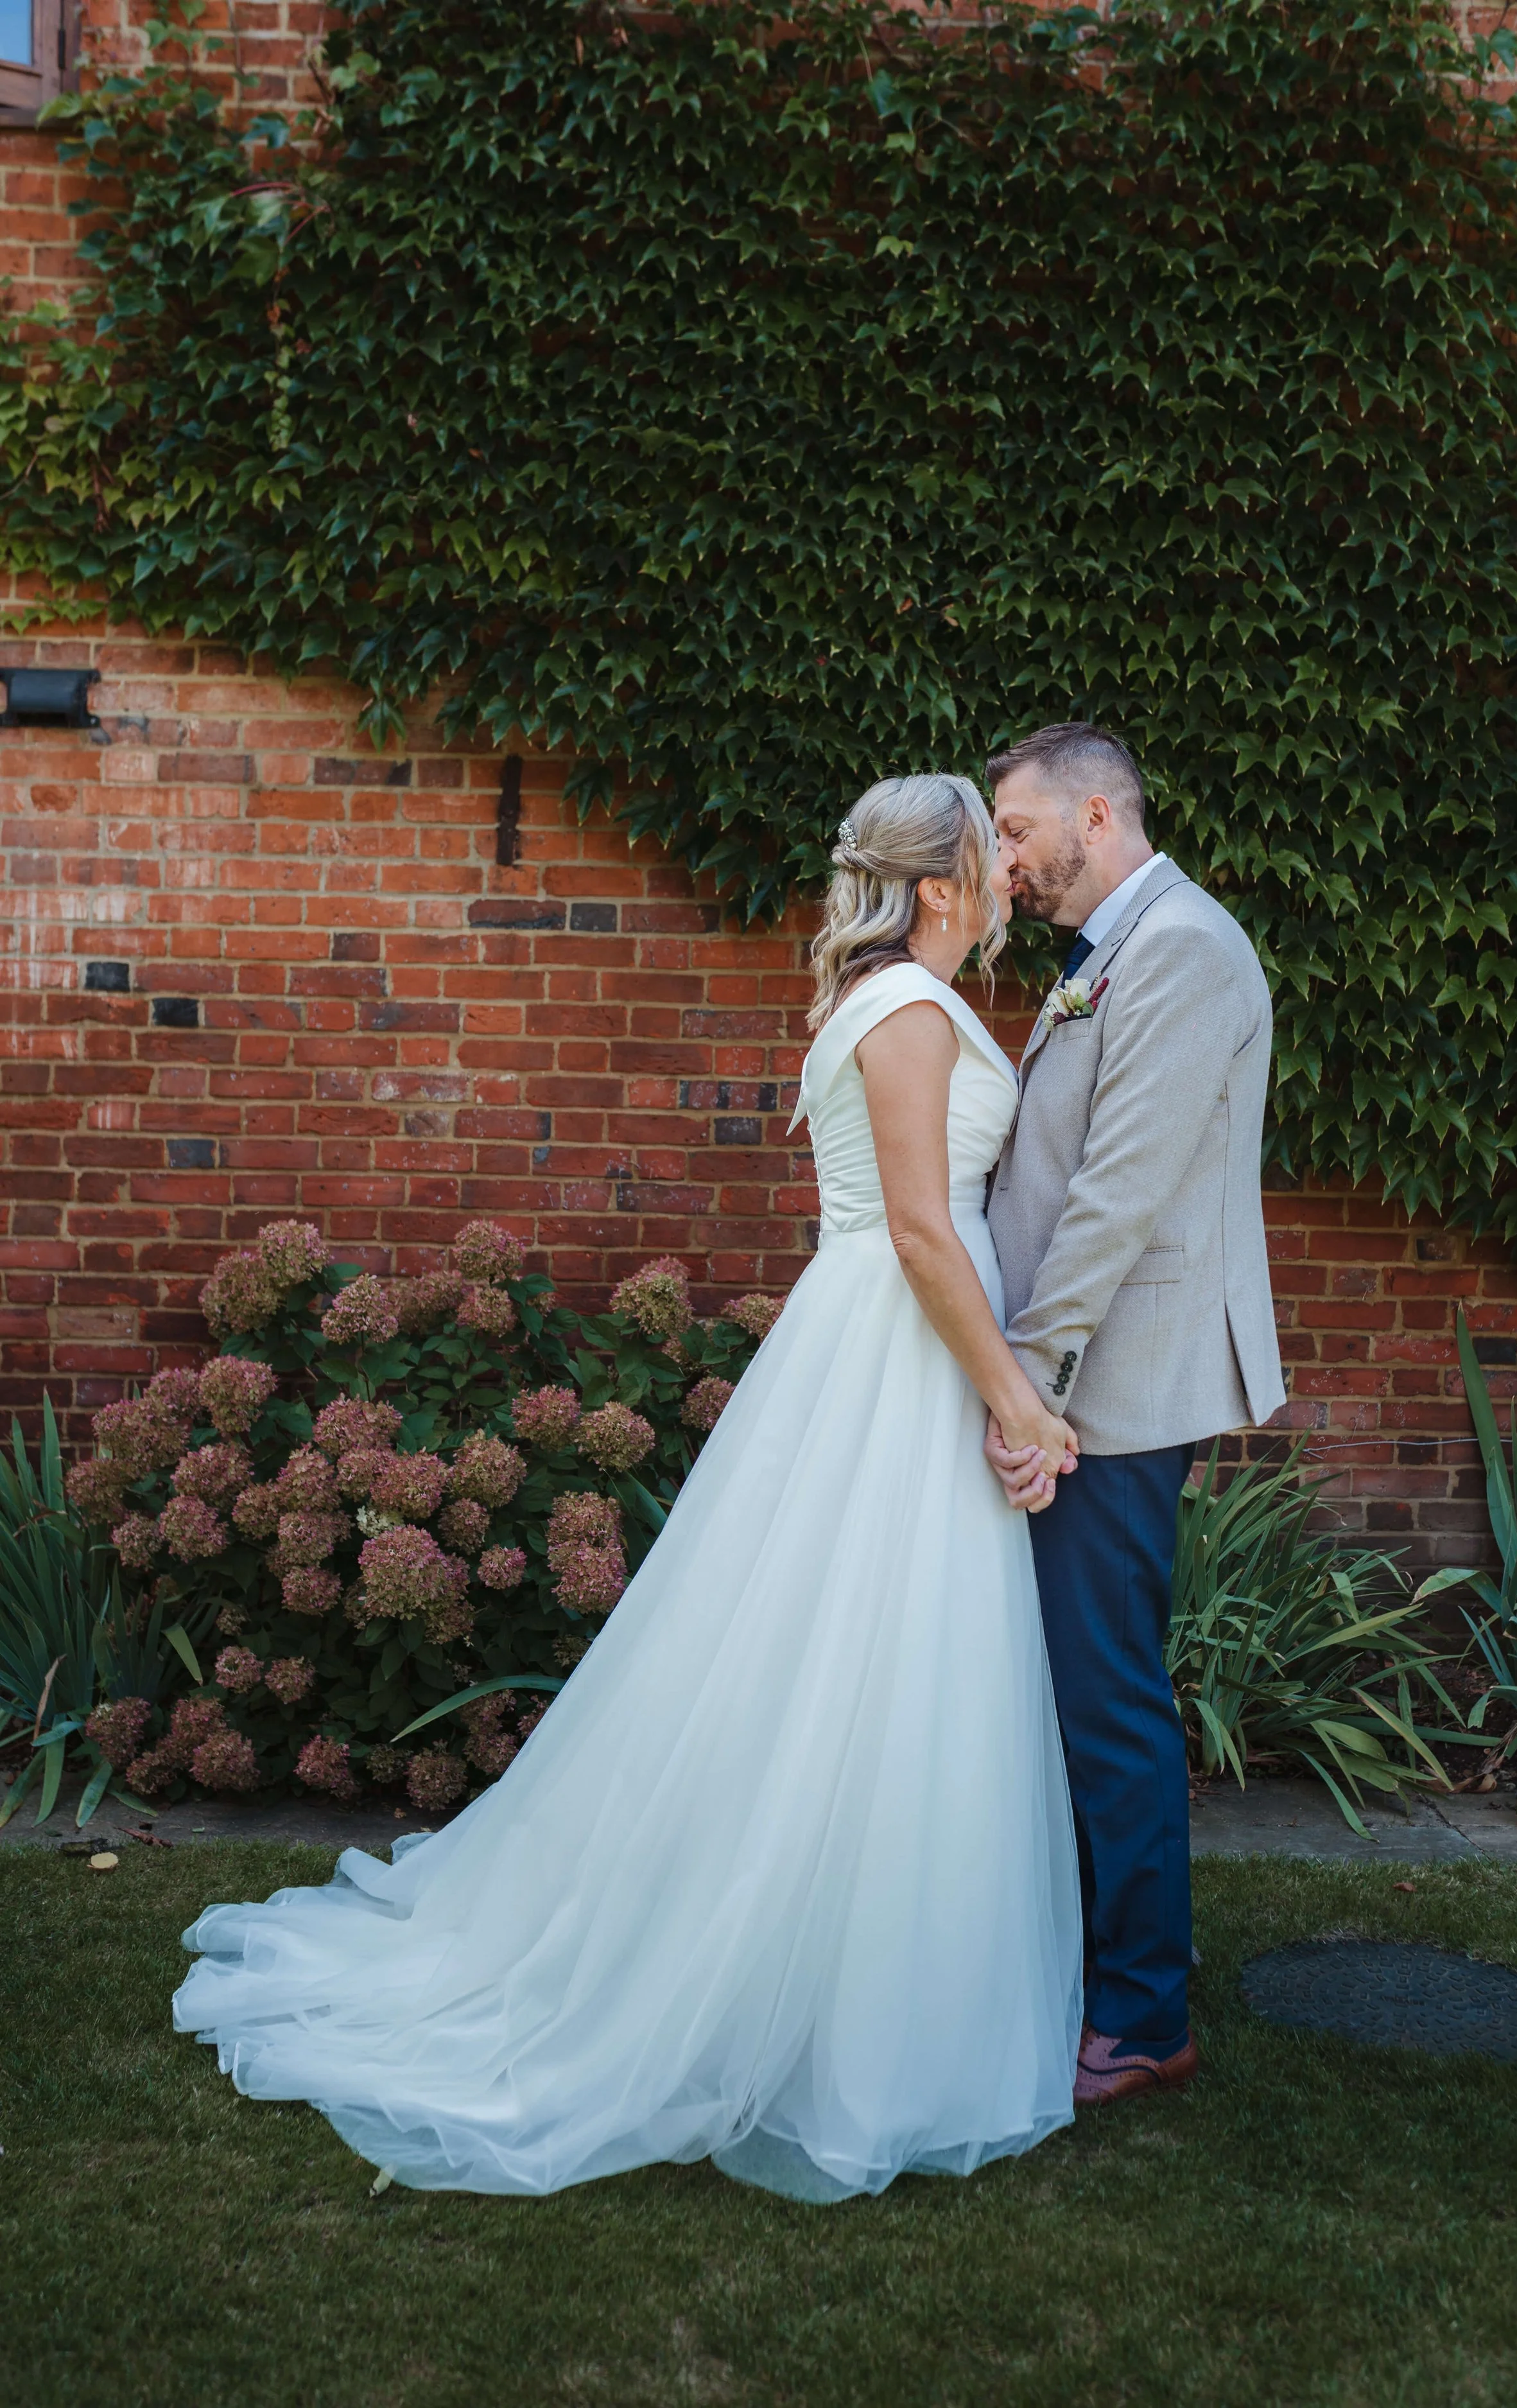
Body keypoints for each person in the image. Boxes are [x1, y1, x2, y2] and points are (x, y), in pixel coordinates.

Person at [173, 772, 1086, 2204]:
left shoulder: (875, 999)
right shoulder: (905, 1012)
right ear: (933, 890)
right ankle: (828, 2015)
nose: (1006, 886)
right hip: (902, 1349)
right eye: (988, 863)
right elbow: (920, 1231)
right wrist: (1017, 1399)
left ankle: (862, 1989)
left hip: (873, 1353)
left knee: (868, 1671)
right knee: (867, 1661)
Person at [984, 722, 1284, 2106]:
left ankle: (1145, 2012)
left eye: (1014, 829)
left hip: (1110, 1383)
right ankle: (1102, 1968)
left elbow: (1117, 1192)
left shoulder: (1179, 948)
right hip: (1076, 1377)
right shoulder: (1115, 946)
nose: (1004, 858)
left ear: (1094, 816)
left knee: (1104, 1695)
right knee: (1076, 1683)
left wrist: (1031, 1384)